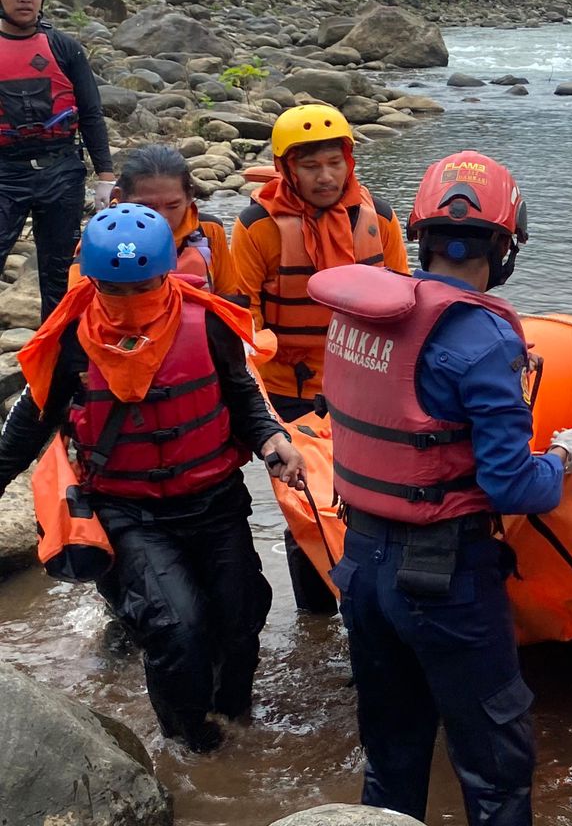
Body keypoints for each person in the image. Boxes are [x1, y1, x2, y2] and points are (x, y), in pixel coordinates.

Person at [311, 151, 572, 826]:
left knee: (392, 752)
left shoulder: (356, 315)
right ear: (504, 247)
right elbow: (511, 482)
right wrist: (564, 462)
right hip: (444, 580)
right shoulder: (483, 336)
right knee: (496, 765)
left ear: (421, 236)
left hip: (362, 565)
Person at [0, 206, 304, 751]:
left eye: (142, 284)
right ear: (92, 281)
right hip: (128, 511)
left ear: (166, 271)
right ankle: (192, 747)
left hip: (214, 501)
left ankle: (235, 716)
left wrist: (272, 438)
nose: (131, 298)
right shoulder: (67, 340)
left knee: (241, 613)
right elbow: (26, 426)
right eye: (116, 288)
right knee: (176, 627)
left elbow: (243, 396)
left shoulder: (208, 320)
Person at [230, 104, 408, 421]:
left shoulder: (378, 217)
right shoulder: (257, 225)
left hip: (368, 378)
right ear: (286, 169)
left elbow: (407, 302)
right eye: (311, 167)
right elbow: (244, 314)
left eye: (335, 163)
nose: (326, 177)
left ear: (349, 162)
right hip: (287, 387)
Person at [0, 0, 116, 317]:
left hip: (60, 171)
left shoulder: (64, 48)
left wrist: (106, 176)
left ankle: (58, 365)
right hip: (4, 171)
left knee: (58, 273)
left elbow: (92, 114)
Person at [68, 144, 242, 298]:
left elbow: (231, 300)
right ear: (118, 197)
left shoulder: (209, 231)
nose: (161, 217)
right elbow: (77, 313)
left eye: (173, 205)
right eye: (147, 206)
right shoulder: (98, 242)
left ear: (190, 196)